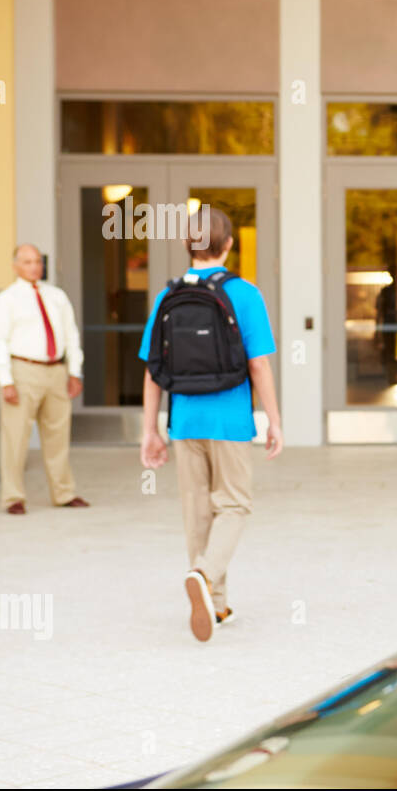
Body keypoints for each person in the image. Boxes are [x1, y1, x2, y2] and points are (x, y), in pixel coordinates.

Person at [138, 208, 283, 643]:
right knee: (234, 505)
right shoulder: (244, 293)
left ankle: (215, 604)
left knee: (197, 511)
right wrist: (273, 420)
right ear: (229, 245)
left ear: (188, 245)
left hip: (184, 419)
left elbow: (152, 370)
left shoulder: (168, 296)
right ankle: (203, 574)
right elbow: (258, 366)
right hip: (230, 420)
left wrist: (150, 430)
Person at [0, 244, 89, 514]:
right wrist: (5, 380)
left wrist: (74, 371)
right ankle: (13, 497)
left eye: (37, 262)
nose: (34, 266)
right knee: (15, 437)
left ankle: (64, 493)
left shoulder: (57, 296)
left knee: (58, 435)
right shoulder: (6, 300)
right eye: (27, 262)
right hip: (23, 372)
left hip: (56, 371)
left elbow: (71, 335)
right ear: (16, 266)